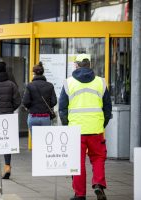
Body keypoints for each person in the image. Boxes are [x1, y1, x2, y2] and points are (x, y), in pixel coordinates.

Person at [59, 54, 112, 200]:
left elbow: (62, 109)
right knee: (98, 158)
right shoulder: (101, 82)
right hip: (96, 129)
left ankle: (80, 194)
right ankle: (99, 184)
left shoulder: (68, 83)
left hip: (76, 130)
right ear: (89, 64)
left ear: (76, 65)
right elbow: (108, 108)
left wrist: (67, 125)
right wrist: (102, 123)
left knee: (77, 162)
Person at [22, 62, 57, 133]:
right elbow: (54, 101)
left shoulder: (30, 85)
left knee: (35, 142)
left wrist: (30, 107)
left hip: (33, 117)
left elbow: (25, 102)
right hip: (45, 118)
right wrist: (47, 106)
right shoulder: (50, 85)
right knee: (45, 141)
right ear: (43, 73)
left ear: (34, 74)